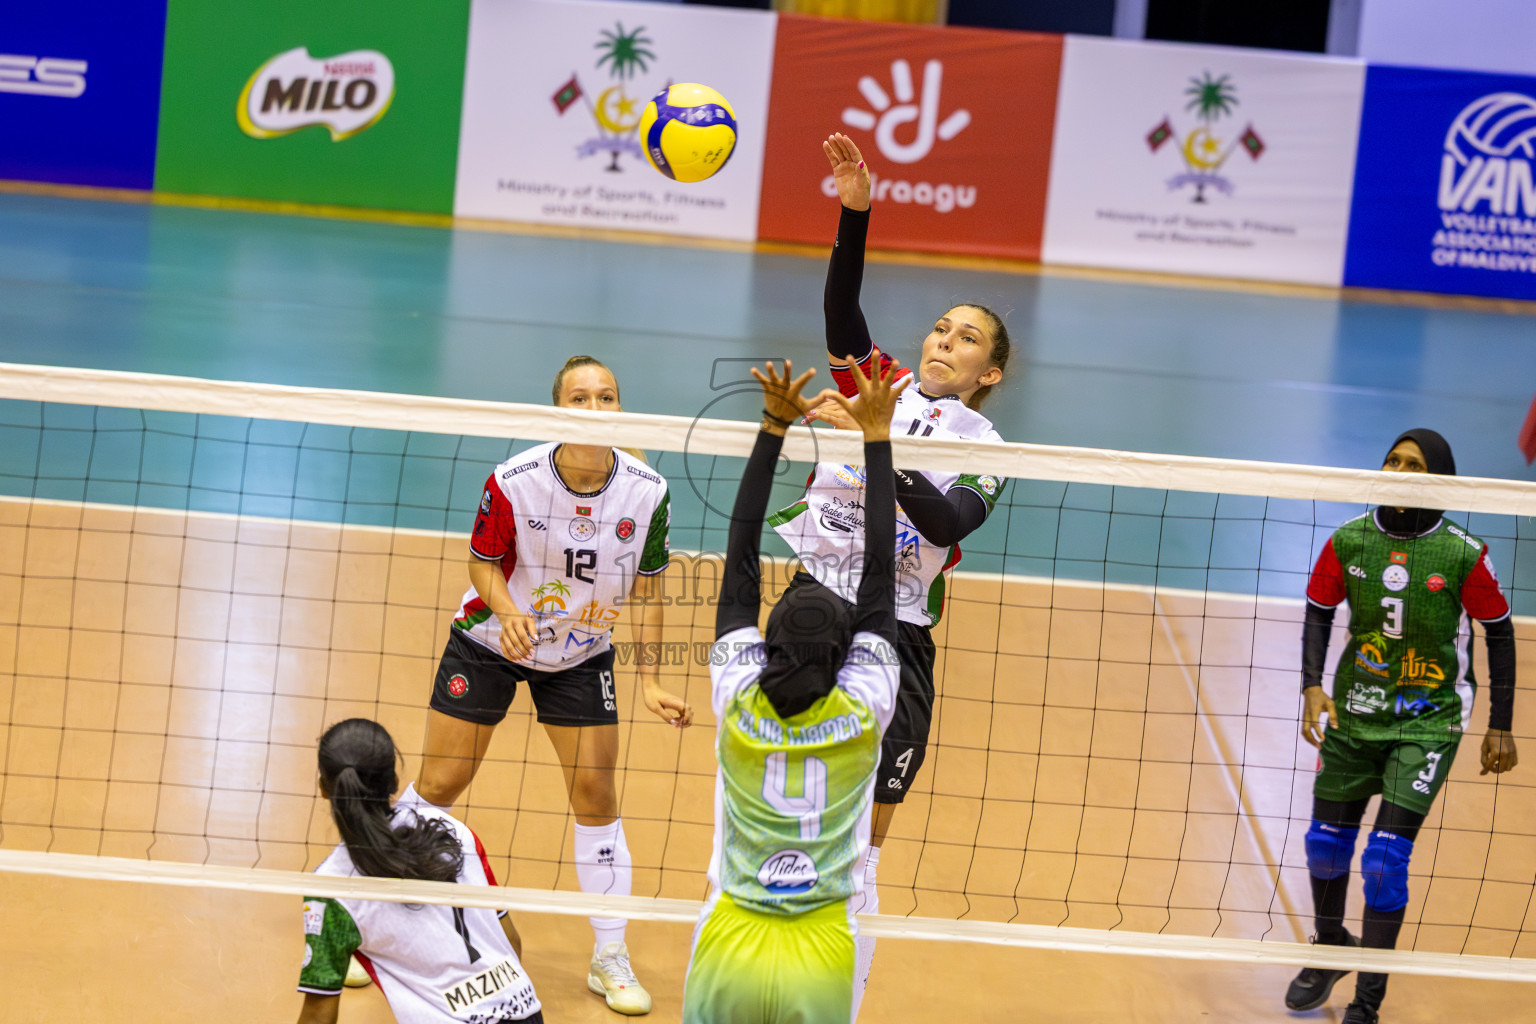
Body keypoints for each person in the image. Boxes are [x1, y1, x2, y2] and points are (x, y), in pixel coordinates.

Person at [767, 132, 1012, 1014]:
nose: (947, 342)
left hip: (901, 631)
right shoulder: (887, 385)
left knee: (865, 848)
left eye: (968, 339)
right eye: (942, 328)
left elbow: (949, 520)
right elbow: (841, 311)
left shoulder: (987, 447)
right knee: (781, 805)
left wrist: (882, 445)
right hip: (814, 604)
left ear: (992, 373)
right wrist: (854, 209)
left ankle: (842, 1002)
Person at [415, 355, 693, 1016]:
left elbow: (649, 591)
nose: (595, 408)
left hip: (580, 648)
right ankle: (362, 908)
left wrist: (649, 678)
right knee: (440, 786)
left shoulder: (648, 490)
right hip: (490, 641)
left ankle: (609, 954)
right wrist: (510, 614)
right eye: (580, 397)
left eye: (607, 397)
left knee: (596, 793)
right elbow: (482, 563)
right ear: (556, 410)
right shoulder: (514, 480)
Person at [681, 356, 905, 1024]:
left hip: (731, 935)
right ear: (847, 657)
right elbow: (882, 578)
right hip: (822, 947)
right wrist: (877, 436)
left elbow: (741, 556)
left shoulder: (738, 694)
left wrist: (773, 426)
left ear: (767, 645)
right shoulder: (865, 705)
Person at [1286, 429, 1518, 1024]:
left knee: (1385, 861)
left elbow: (1499, 630)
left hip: (1428, 723)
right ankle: (1330, 946)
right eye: (1391, 459)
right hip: (1354, 712)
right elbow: (1317, 611)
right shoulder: (1350, 540)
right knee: (1324, 846)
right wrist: (1312, 683)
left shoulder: (1464, 554)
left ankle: (1368, 1002)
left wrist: (1500, 723)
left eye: (1411, 463)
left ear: (1437, 478)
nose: (1397, 468)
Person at [295, 718, 543, 1024]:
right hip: (526, 1009)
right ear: (394, 782)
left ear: (323, 788)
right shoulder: (455, 832)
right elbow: (510, 942)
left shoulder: (332, 890)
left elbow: (320, 1014)